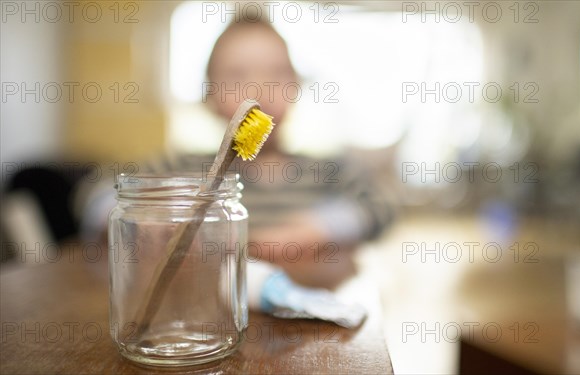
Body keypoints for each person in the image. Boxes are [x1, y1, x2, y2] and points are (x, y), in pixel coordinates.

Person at [81, 15, 399, 287]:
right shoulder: (182, 165)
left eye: (277, 73)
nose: (259, 89)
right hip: (201, 309)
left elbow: (381, 203)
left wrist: (319, 228)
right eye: (236, 75)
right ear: (209, 95)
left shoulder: (327, 171)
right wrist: (146, 218)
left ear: (296, 88)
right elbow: (94, 193)